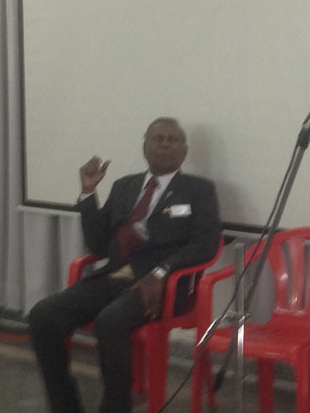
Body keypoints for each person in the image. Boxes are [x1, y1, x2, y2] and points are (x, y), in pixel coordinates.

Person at [29, 117, 221, 413]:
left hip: (163, 284)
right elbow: (97, 244)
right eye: (158, 139)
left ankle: (116, 407)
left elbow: (205, 245)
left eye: (173, 139)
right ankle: (65, 406)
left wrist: (162, 271)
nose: (165, 144)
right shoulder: (124, 186)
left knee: (110, 321)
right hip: (117, 274)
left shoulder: (199, 190)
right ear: (145, 148)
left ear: (184, 151)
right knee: (43, 315)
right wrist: (88, 194)